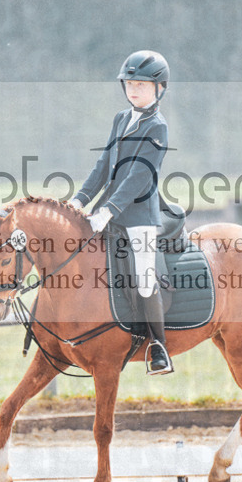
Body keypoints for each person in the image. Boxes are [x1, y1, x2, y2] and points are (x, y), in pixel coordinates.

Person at [70, 50, 173, 374]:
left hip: (140, 217)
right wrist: (79, 200)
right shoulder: (120, 119)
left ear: (159, 88)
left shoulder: (157, 127)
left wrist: (108, 210)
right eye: (130, 83)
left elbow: (139, 175)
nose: (134, 89)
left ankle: (158, 347)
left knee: (144, 277)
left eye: (142, 84)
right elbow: (104, 165)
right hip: (107, 211)